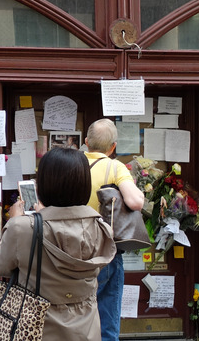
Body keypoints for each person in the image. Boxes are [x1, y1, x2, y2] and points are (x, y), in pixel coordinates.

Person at [0, 147, 116, 340]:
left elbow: (1, 267)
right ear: (85, 184)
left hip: (36, 327)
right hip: (86, 329)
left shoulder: (22, 228)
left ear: (42, 185)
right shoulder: (102, 229)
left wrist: (16, 219)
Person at [84, 118, 145, 341]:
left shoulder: (73, 163)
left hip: (72, 247)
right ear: (113, 147)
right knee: (107, 316)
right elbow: (135, 202)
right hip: (104, 249)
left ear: (86, 142)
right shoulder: (115, 166)